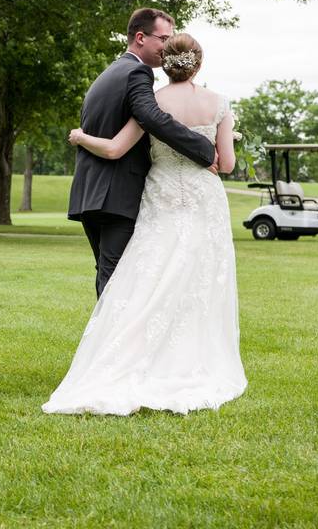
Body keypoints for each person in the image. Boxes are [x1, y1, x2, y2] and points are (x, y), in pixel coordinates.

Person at [41, 32, 247, 416]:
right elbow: (228, 164)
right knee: (202, 278)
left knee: (149, 275)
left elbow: (116, 148)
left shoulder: (151, 103)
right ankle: (192, 359)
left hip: (162, 195)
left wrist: (81, 136)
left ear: (165, 64)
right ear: (199, 64)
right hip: (204, 198)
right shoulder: (219, 103)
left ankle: (131, 355)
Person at [66, 8, 217, 297]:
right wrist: (203, 149)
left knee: (109, 277)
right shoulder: (137, 72)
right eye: (164, 38)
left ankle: (104, 341)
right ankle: (107, 342)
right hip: (117, 194)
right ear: (140, 37)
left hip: (91, 193)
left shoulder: (106, 75)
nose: (168, 46)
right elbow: (152, 117)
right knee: (117, 284)